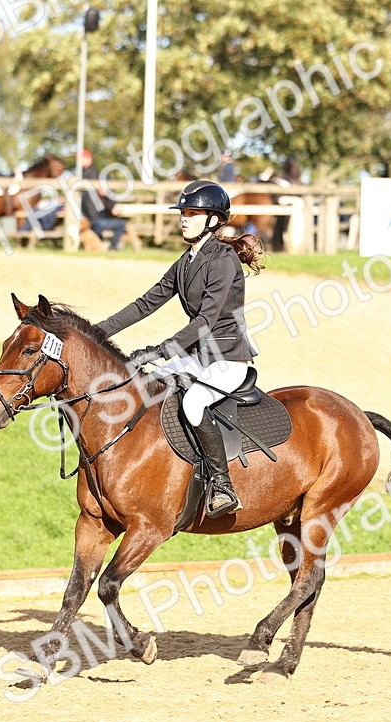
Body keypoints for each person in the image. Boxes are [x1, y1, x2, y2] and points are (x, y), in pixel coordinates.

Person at [94, 180, 266, 518]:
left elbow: (205, 320)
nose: (184, 219)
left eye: (193, 213)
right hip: (196, 357)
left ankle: (221, 484)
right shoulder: (185, 262)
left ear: (214, 220)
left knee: (193, 402)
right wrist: (94, 333)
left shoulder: (223, 260)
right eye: (183, 213)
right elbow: (145, 304)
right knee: (147, 387)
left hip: (227, 357)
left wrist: (159, 351)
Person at [79, 149, 127, 250]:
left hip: (91, 218)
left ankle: (107, 246)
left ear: (89, 159)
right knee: (121, 224)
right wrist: (113, 205)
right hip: (94, 219)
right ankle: (111, 247)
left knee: (117, 223)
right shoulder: (94, 175)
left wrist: (113, 206)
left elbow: (107, 194)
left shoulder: (86, 175)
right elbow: (107, 194)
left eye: (82, 158)